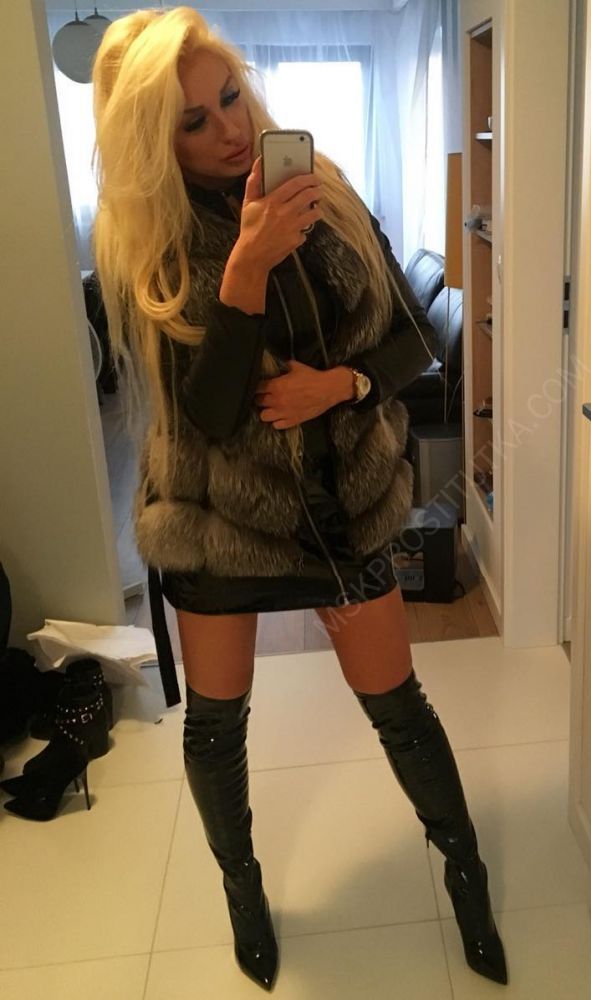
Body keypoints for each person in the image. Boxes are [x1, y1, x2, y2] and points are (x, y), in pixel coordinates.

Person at [91, 7, 507, 992]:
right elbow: (206, 416)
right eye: (194, 121)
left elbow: (415, 337)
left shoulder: (323, 190)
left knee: (398, 707)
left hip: (341, 509)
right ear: (155, 142)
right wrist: (243, 270)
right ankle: (243, 890)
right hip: (217, 525)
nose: (229, 129)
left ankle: (464, 870)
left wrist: (342, 386)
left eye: (230, 96)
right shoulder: (153, 245)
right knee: (216, 726)